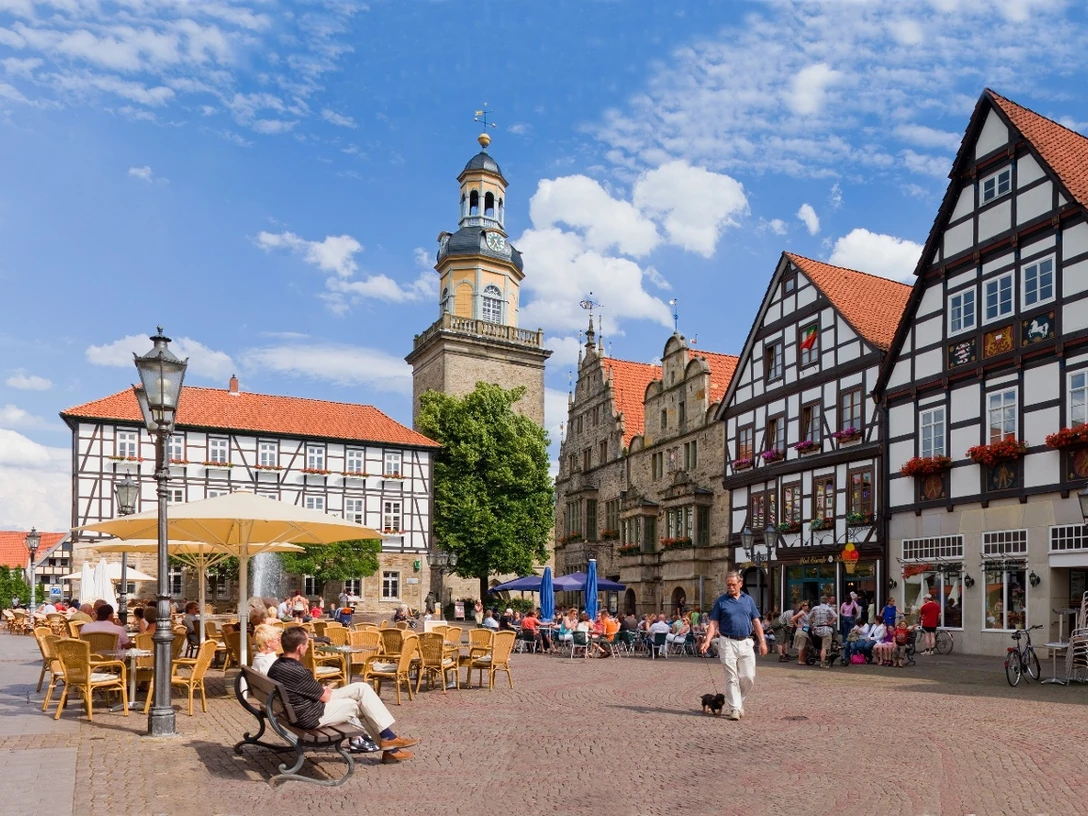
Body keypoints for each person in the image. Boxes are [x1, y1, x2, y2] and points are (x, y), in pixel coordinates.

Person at [266, 627, 416, 762]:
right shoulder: (297, 671)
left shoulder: (277, 665)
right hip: (310, 715)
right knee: (357, 705)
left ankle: (389, 741)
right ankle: (389, 743)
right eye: (306, 644)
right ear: (299, 648)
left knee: (361, 688)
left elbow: (308, 690)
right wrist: (325, 691)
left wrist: (322, 690)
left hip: (300, 708)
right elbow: (325, 697)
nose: (307, 647)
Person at [700, 571, 767, 720]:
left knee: (749, 677)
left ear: (740, 584)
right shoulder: (721, 601)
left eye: (733, 584)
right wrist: (707, 640)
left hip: (746, 641)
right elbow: (713, 623)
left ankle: (739, 701)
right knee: (731, 677)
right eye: (728, 584)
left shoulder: (748, 600)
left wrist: (763, 642)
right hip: (727, 642)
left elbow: (756, 621)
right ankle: (735, 709)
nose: (730, 587)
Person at [808, 596, 837, 669]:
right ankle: (823, 662)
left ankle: (817, 655)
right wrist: (830, 622)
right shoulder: (828, 608)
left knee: (817, 644)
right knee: (824, 647)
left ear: (820, 601)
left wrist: (811, 626)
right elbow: (835, 616)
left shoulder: (815, 608)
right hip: (825, 629)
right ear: (827, 601)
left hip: (817, 629)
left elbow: (808, 617)